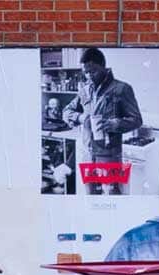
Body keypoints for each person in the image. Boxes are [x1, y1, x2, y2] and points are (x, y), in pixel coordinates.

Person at [62, 48, 142, 195]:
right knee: (90, 198)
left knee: (112, 198)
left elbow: (137, 120)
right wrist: (79, 118)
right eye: (85, 72)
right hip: (87, 154)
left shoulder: (122, 89)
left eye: (93, 71)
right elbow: (66, 112)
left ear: (104, 67)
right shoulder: (85, 90)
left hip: (109, 156)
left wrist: (115, 124)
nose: (89, 76)